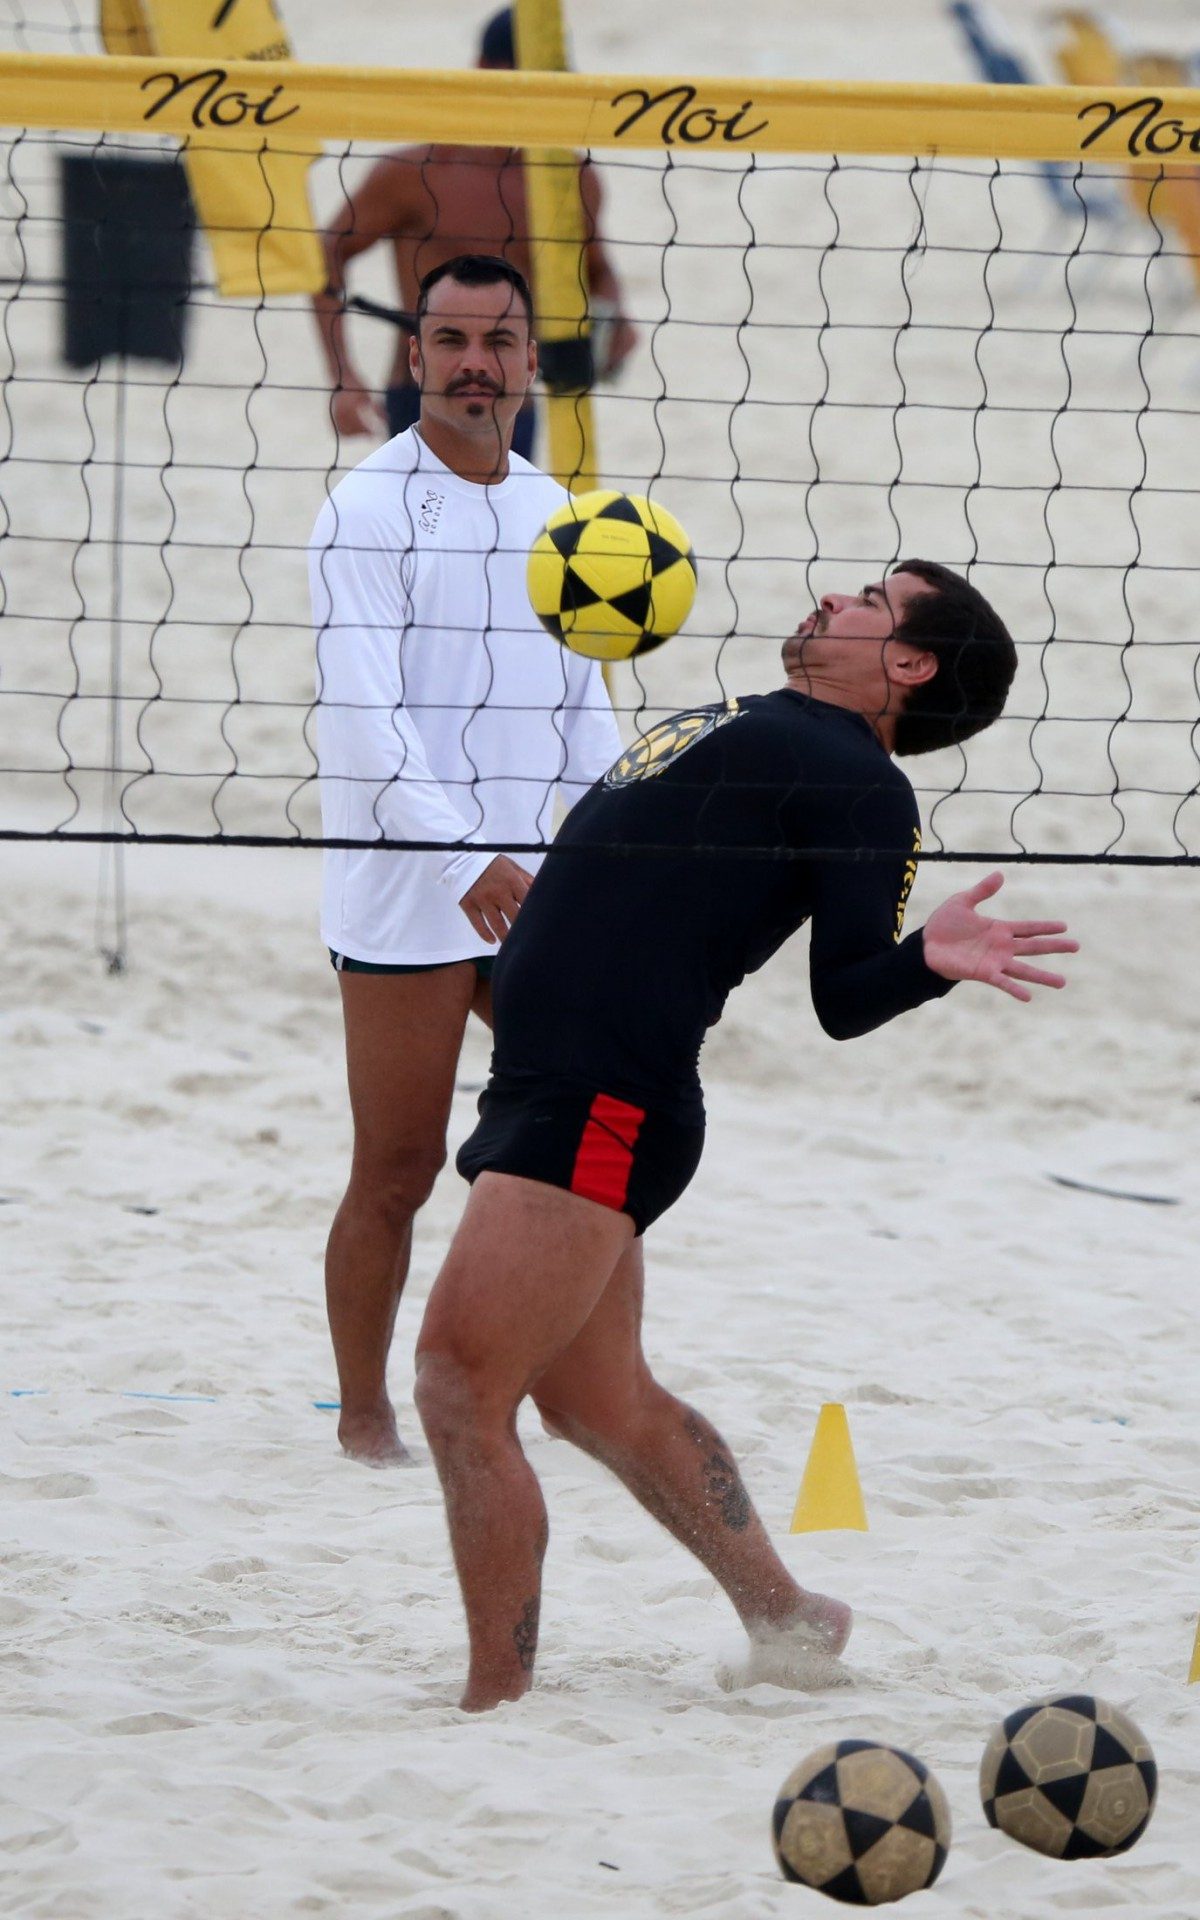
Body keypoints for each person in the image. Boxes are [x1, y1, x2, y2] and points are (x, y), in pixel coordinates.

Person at [412, 561, 1080, 1710]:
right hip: (547, 1080)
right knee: (597, 1402)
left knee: (458, 1389)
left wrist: (926, 961)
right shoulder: (756, 719)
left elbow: (845, 995)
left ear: (909, 663)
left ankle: (491, 1702)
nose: (832, 596)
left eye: (871, 598)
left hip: (606, 1102)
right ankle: (788, 1614)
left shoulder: (862, 785)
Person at [309, 252, 621, 1466]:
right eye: (451, 340)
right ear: (416, 355)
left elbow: (583, 707)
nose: (475, 364)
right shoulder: (366, 510)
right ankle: (365, 1416)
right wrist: (462, 858)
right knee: (397, 1171)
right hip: (410, 884)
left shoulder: (559, 512)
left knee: (597, 1136)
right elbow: (362, 718)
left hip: (534, 885)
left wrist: (611, 854)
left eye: (498, 342)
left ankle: (585, 1387)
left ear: (530, 360)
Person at [311, 6, 636, 458]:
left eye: (551, 82)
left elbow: (597, 270)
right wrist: (343, 376)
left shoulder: (571, 177)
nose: (542, 96)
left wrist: (618, 318)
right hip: (422, 398)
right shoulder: (416, 172)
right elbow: (327, 252)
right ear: (485, 70)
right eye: (530, 81)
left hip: (514, 406)